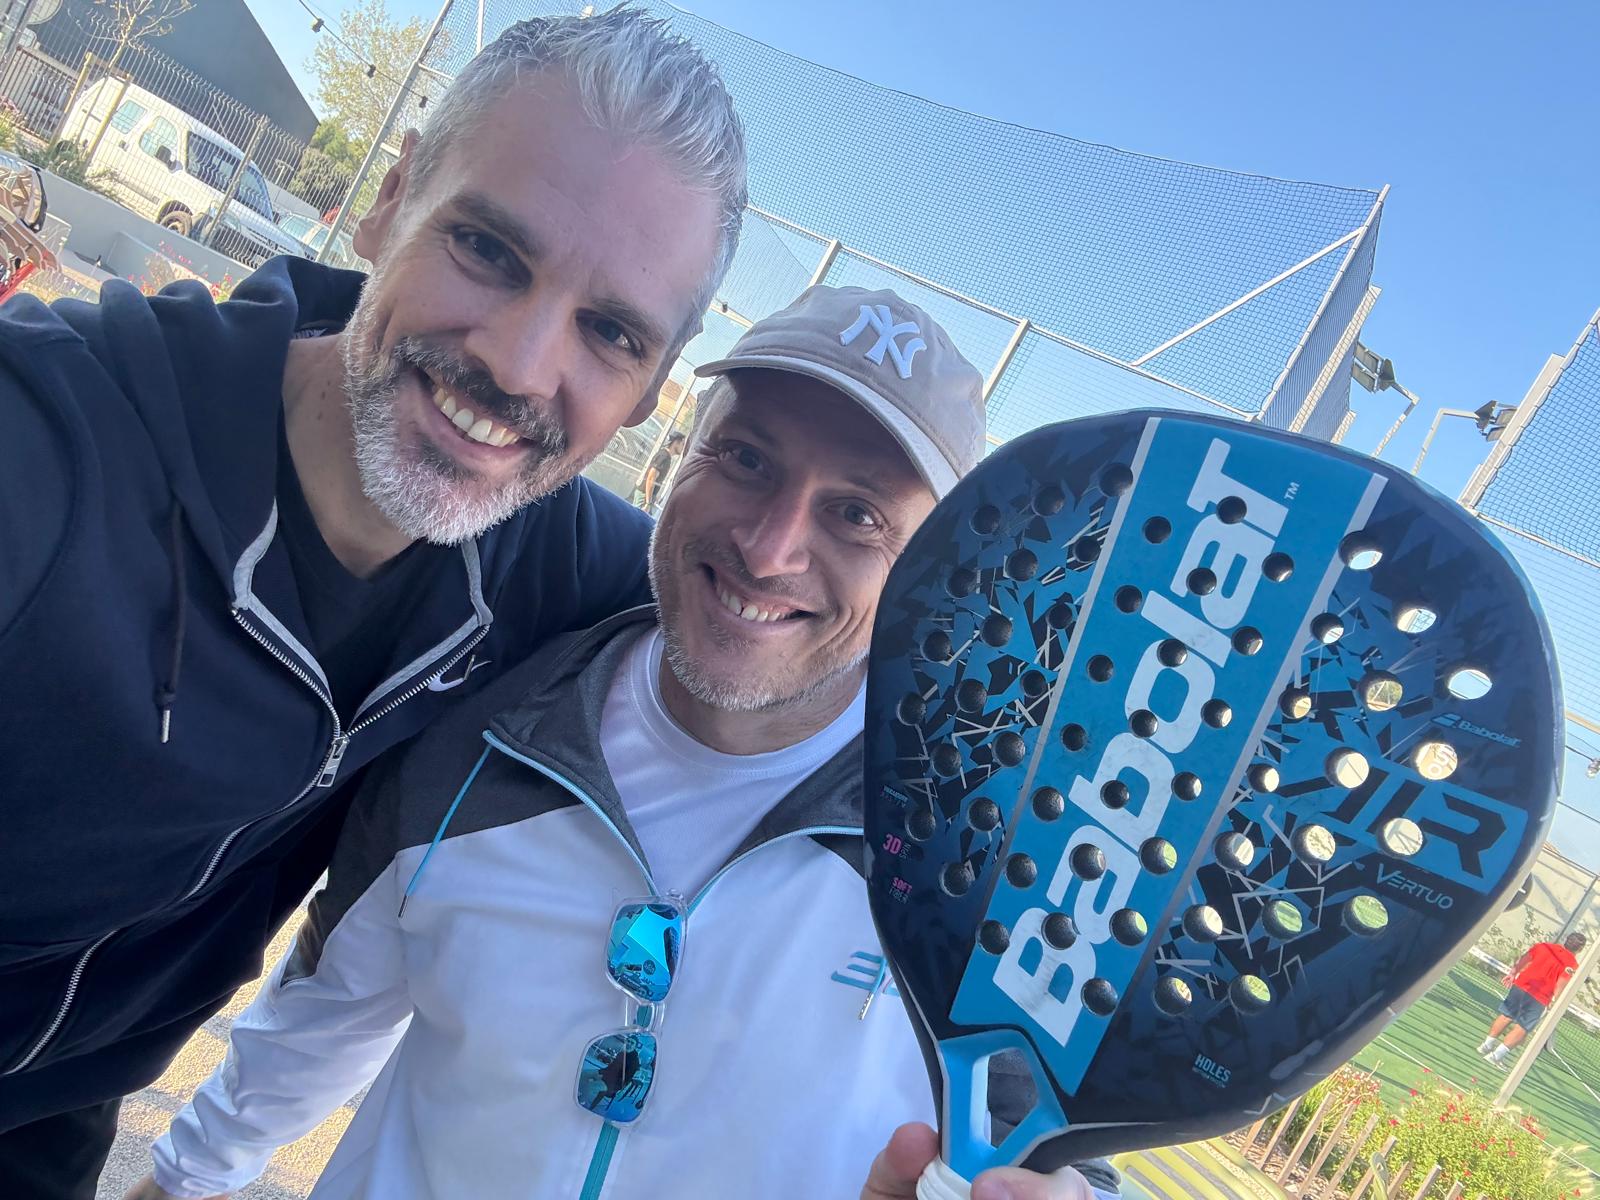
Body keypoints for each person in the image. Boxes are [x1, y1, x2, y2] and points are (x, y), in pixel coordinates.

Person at [124, 286, 1121, 1200]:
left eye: (856, 513)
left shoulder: (989, 869)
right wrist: (180, 1181)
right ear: (675, 456)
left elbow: (1057, 1158)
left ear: (934, 572)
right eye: (747, 459)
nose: (769, 548)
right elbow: (324, 1012)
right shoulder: (473, 741)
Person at [0, 9, 748, 1197]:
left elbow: (804, 651)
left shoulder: (559, 566)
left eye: (609, 332)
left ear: (652, 390)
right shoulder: (51, 444)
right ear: (390, 201)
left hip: (55, 1110)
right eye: (488, 250)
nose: (518, 364)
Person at [1478, 931, 1587, 1067]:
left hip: (1520, 986)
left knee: (1506, 1015)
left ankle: (1486, 1045)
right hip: (1540, 997)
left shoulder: (1544, 946)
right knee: (1523, 1028)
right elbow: (1561, 985)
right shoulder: (1572, 965)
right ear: (1580, 949)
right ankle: (1496, 1056)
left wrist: (1513, 973)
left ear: (1566, 939)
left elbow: (1524, 959)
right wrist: (1556, 1002)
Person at [638, 428, 687, 510]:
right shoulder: (664, 456)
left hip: (647, 497)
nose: (683, 448)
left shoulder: (667, 457)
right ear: (676, 443)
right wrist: (648, 502)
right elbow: (651, 478)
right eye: (682, 444)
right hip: (644, 497)